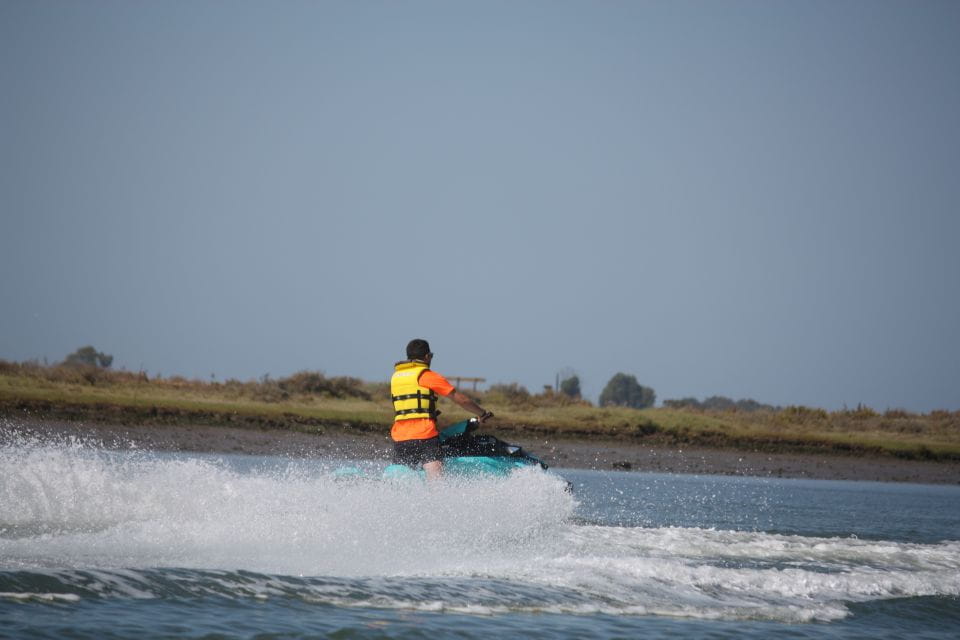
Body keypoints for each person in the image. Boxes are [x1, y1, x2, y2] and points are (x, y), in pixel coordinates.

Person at [391, 338, 493, 480]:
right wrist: (482, 413)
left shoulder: (396, 377)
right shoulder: (427, 375)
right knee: (436, 483)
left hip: (400, 438)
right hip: (424, 436)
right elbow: (461, 400)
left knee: (402, 480)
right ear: (427, 356)